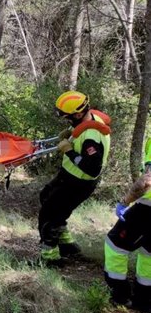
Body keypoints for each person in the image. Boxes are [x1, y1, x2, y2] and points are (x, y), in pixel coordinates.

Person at [38, 91, 111, 265]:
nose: (66, 120)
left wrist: (69, 151)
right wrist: (70, 132)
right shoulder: (90, 117)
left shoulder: (92, 137)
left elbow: (92, 169)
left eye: (67, 117)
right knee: (45, 196)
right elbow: (79, 129)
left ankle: (50, 260)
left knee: (48, 216)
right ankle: (67, 245)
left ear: (78, 114)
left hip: (79, 183)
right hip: (68, 176)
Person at [104, 145, 151, 313]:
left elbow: (146, 181)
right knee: (148, 253)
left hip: (147, 209)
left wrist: (125, 202)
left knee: (115, 245)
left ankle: (119, 294)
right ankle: (144, 300)